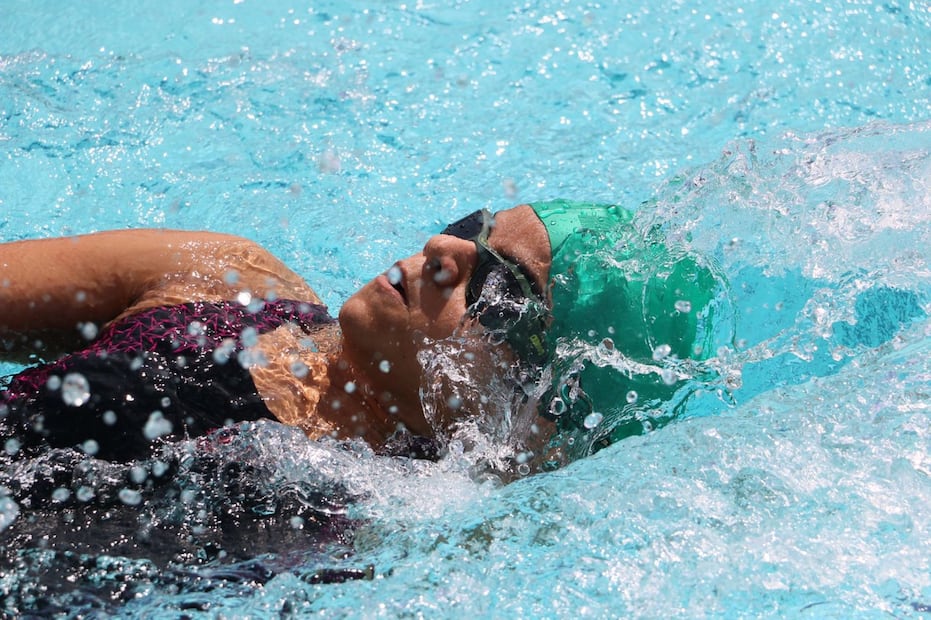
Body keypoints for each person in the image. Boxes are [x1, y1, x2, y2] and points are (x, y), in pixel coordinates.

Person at [0, 201, 728, 466]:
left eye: (499, 287)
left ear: (532, 420)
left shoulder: (372, 539)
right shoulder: (218, 281)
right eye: (476, 228)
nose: (446, 252)